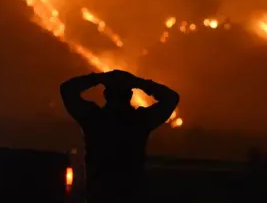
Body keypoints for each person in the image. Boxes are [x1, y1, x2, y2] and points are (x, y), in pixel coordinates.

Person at [60, 70, 179, 203]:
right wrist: (139, 82)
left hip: (99, 196)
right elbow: (171, 98)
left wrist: (99, 78)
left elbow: (67, 89)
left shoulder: (94, 119)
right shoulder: (139, 121)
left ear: (105, 95)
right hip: (130, 196)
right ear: (130, 95)